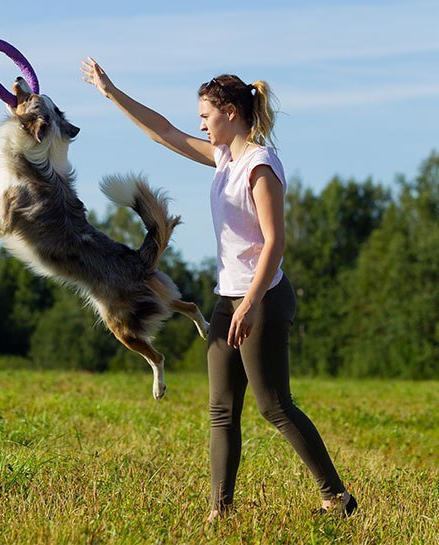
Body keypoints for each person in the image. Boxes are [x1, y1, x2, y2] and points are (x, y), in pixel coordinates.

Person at [80, 57, 357, 521]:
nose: (201, 124)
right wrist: (111, 91)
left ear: (230, 112)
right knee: (221, 410)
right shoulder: (224, 157)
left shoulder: (260, 166)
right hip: (229, 297)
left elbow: (275, 241)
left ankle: (337, 497)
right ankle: (219, 512)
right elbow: (163, 132)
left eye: (206, 115)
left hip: (262, 299)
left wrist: (249, 304)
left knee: (274, 405)